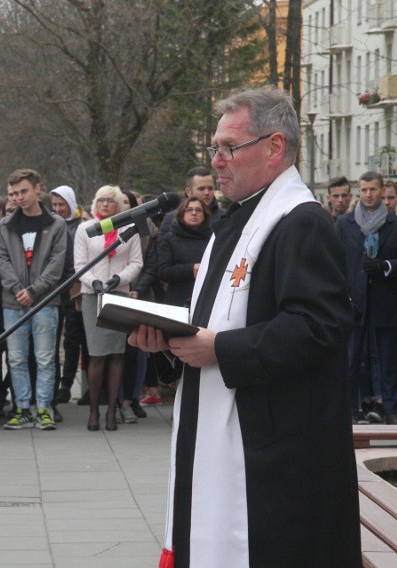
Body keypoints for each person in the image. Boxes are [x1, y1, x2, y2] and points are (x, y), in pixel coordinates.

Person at [129, 86, 360, 567]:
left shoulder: (301, 222)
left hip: (274, 453)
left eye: (228, 148)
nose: (216, 161)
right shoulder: (234, 222)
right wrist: (170, 342)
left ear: (275, 148)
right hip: (230, 432)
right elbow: (211, 324)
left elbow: (319, 325)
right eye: (215, 148)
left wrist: (221, 350)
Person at [0, 168, 67, 430]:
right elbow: (1, 260)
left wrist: (35, 290)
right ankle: (22, 407)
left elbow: (56, 264)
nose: (18, 198)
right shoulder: (5, 225)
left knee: (46, 357)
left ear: (38, 188)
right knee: (16, 358)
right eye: (13, 194)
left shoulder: (56, 224)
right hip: (13, 302)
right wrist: (17, 289)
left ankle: (44, 408)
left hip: (45, 301)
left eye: (23, 191)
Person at [73, 186, 143, 431]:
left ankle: (112, 411)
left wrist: (118, 279)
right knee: (96, 354)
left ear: (119, 206)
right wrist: (94, 282)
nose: (105, 204)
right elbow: (80, 264)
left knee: (116, 354)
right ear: (95, 203)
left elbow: (136, 262)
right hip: (93, 295)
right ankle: (94, 410)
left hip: (118, 295)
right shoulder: (85, 229)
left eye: (110, 201)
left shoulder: (129, 229)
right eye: (101, 200)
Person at [335, 171, 397, 424]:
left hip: (386, 302)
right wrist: (343, 296)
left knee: (388, 361)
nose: (368, 194)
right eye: (363, 190)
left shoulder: (393, 223)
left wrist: (387, 265)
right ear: (358, 192)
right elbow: (335, 262)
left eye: (372, 190)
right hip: (354, 302)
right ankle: (349, 410)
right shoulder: (344, 223)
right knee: (351, 360)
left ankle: (392, 410)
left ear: (382, 191)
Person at [49, 185, 86, 405]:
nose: (58, 209)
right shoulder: (52, 226)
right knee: (51, 344)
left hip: (74, 291)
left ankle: (66, 384)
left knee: (72, 341)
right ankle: (53, 388)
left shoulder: (79, 226)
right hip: (54, 291)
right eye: (54, 205)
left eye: (61, 204)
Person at [156, 197, 212, 308]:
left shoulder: (213, 239)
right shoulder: (170, 239)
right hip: (177, 300)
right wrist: (191, 269)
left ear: (205, 214)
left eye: (198, 210)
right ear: (182, 214)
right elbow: (163, 272)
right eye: (189, 210)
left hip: (206, 300)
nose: (194, 213)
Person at [159, 167, 224, 239]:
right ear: (188, 192)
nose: (206, 193)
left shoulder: (225, 217)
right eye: (201, 189)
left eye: (210, 188)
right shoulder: (172, 218)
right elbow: (163, 247)